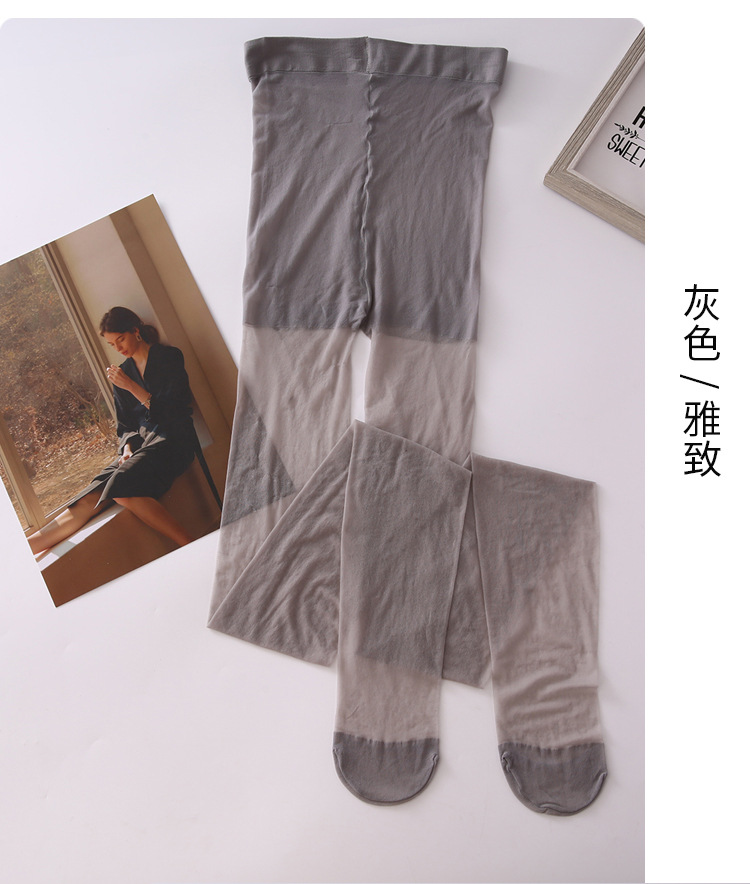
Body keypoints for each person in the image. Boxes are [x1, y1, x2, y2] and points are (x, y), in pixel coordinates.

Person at [28, 307, 197, 554]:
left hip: (174, 439)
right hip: (142, 446)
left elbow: (173, 409)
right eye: (111, 344)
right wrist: (126, 449)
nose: (118, 348)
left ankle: (189, 544)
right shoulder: (122, 373)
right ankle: (24, 551)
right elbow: (125, 425)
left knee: (120, 486)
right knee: (89, 497)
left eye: (121, 339)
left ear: (135, 331)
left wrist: (130, 386)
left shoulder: (168, 357)